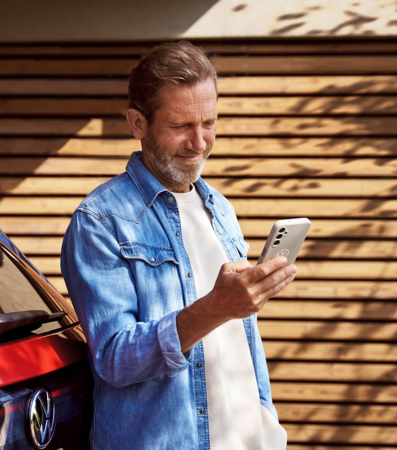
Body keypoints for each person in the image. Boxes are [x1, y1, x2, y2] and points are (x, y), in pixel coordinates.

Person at [60, 41, 293, 450]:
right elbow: (114, 359)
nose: (199, 142)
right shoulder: (101, 221)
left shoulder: (220, 207)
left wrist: (269, 427)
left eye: (209, 123)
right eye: (181, 126)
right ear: (138, 123)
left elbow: (244, 339)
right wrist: (213, 309)